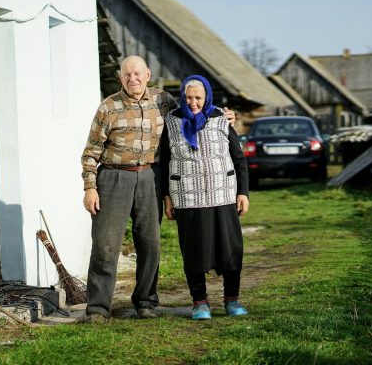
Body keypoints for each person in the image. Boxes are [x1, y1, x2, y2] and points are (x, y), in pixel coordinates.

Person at [81, 56, 235, 321]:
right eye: (127, 75)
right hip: (114, 178)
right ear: (121, 78)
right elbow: (91, 151)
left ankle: (146, 302)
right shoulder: (108, 106)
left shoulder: (164, 101)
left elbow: (194, 110)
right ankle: (98, 307)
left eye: (138, 74)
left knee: (149, 244)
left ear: (148, 75)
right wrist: (90, 188)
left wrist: (224, 114)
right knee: (105, 246)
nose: (133, 79)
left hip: (151, 176)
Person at [160, 75, 250, 320]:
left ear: (206, 97)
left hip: (222, 194)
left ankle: (232, 299)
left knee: (230, 249)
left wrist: (243, 192)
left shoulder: (221, 118)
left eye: (198, 97)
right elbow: (164, 162)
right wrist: (166, 197)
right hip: (187, 198)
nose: (193, 102)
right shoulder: (171, 121)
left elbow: (238, 157)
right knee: (193, 251)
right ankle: (200, 302)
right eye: (188, 97)